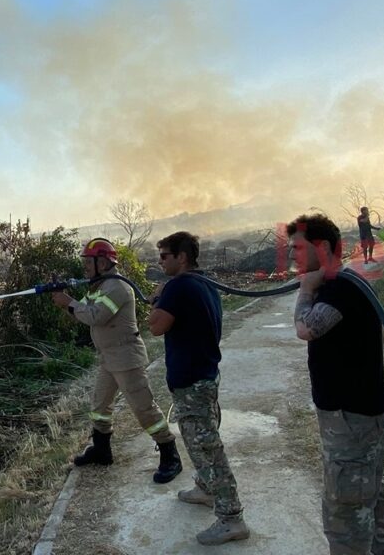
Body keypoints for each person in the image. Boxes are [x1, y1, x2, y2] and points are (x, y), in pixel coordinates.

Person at [287, 213, 384, 555]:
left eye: (297, 247)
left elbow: (306, 329)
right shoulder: (341, 284)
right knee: (368, 488)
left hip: (352, 418)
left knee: (345, 505)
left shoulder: (340, 288)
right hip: (358, 415)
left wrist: (305, 290)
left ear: (321, 247)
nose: (292, 254)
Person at [51, 237, 182, 484]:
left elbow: (96, 316)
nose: (85, 267)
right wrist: (66, 303)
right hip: (109, 358)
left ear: (102, 261)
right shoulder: (100, 287)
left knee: (143, 408)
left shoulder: (117, 288)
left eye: (88, 262)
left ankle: (169, 454)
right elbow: (84, 315)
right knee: (99, 406)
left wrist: (69, 302)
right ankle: (102, 450)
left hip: (125, 358)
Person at [148, 231, 249, 546]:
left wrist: (157, 297)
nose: (160, 261)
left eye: (164, 256)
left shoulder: (178, 287)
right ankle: (206, 490)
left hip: (192, 381)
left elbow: (155, 326)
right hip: (204, 375)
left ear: (181, 257)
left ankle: (232, 519)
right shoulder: (205, 282)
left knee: (206, 449)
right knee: (203, 444)